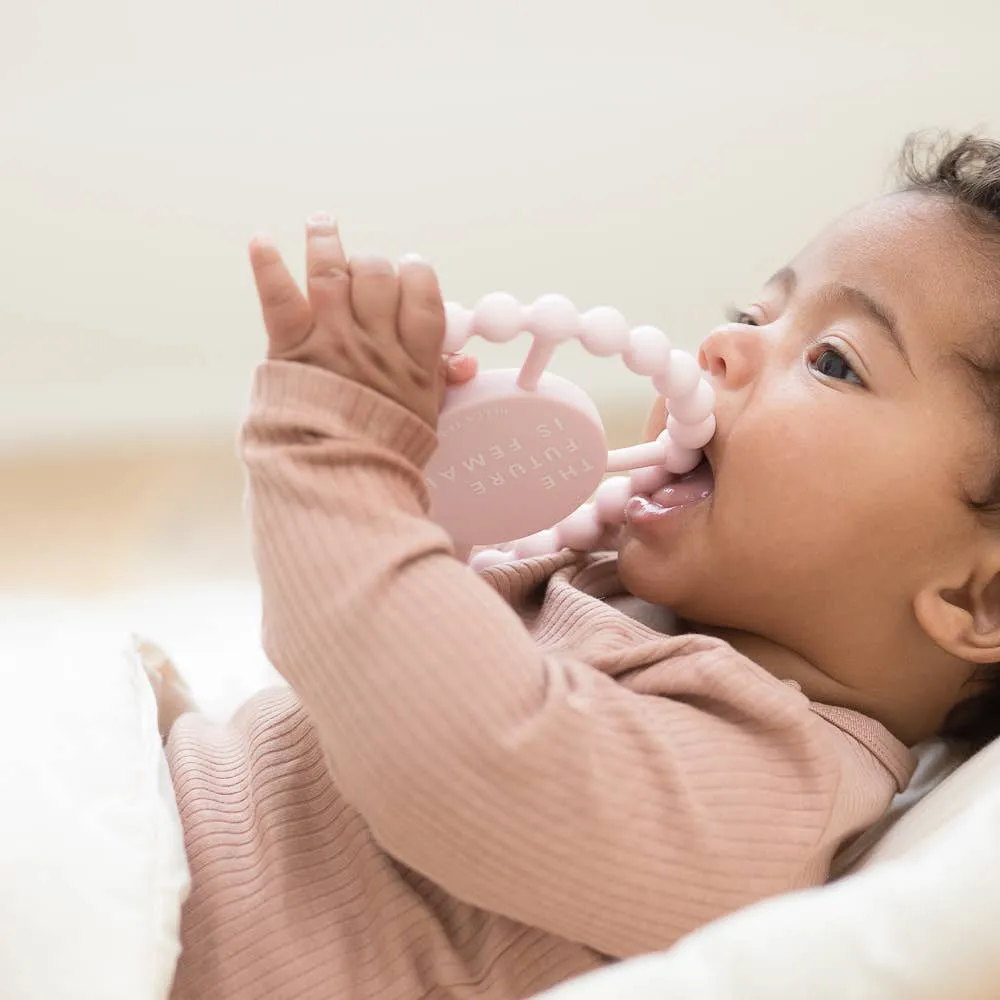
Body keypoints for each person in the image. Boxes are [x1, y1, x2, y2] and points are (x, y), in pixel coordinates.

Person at [164, 133, 1000, 1000]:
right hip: (161, 823)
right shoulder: (634, 590)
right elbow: (405, 634)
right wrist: (425, 490)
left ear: (979, 596)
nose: (720, 346)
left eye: (833, 361)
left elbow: (453, 750)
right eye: (754, 316)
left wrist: (332, 455)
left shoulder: (775, 795)